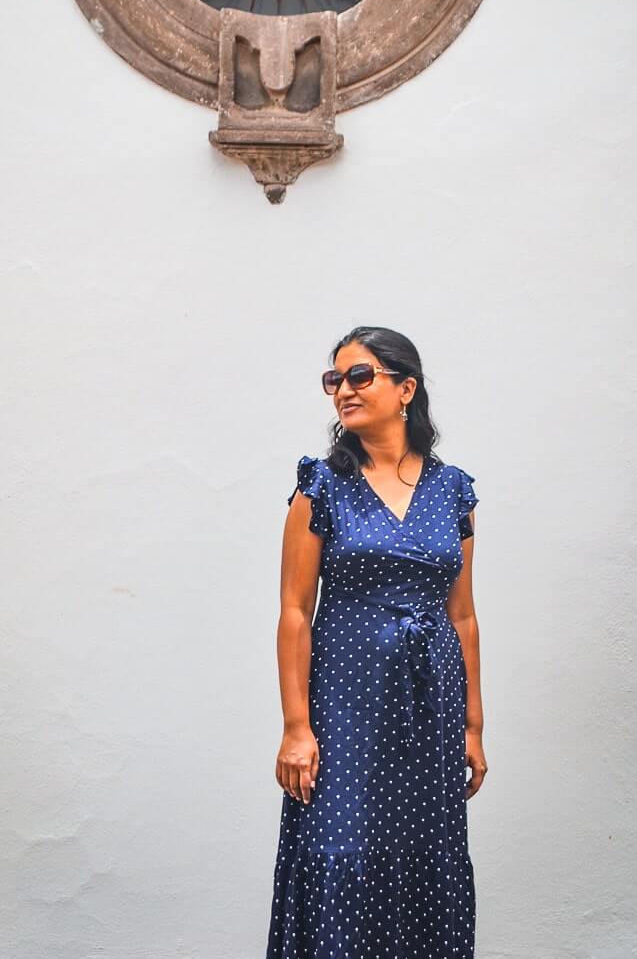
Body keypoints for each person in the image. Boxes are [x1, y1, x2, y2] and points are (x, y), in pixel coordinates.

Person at [265, 325, 487, 959]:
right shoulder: (321, 486)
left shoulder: (454, 492)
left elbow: (463, 616)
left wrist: (473, 727)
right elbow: (294, 611)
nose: (343, 391)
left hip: (429, 708)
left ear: (405, 389)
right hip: (345, 704)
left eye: (359, 376)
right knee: (340, 849)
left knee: (426, 851)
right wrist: (295, 726)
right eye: (334, 380)